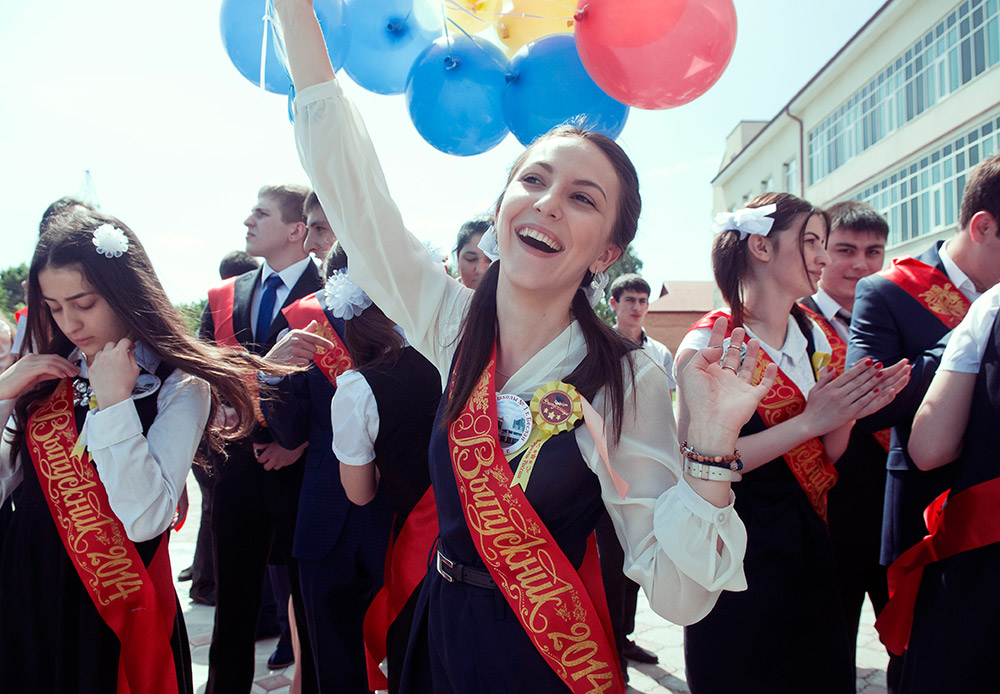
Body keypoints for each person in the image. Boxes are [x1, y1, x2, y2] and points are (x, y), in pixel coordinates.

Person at [276, 3, 781, 692]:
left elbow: (678, 595)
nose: (546, 203)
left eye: (581, 198)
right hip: (435, 632)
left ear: (607, 251)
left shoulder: (622, 375)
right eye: (534, 181)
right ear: (501, 208)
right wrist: (293, 13)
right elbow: (352, 192)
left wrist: (715, 442)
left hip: (541, 654)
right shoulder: (452, 324)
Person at [0, 208, 262, 693]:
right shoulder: (43, 370)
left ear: (124, 290)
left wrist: (116, 404)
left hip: (116, 596)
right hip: (29, 587)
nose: (70, 322)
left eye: (84, 302)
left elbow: (146, 517)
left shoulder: (178, 382)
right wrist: (5, 392)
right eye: (55, 307)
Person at [674, 193, 909, 693]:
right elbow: (697, 468)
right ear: (761, 245)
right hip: (738, 550)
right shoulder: (711, 343)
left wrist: (849, 411)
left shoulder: (816, 336)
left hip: (812, 541)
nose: (824, 258)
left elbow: (831, 455)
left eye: (824, 244)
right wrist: (809, 423)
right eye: (811, 242)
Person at [872, 156, 1000, 693]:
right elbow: (879, 396)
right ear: (982, 225)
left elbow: (932, 440)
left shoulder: (991, 307)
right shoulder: (890, 289)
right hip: (935, 506)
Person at [848, 153, 1000, 575]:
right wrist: (972, 330)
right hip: (928, 501)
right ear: (984, 227)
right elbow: (870, 403)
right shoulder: (887, 291)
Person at [200, 183, 323, 694]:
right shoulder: (228, 295)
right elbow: (204, 369)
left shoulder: (335, 287)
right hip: (238, 467)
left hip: (306, 471)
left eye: (261, 213)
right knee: (236, 598)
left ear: (297, 230)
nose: (248, 221)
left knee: (310, 598)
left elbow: (347, 382)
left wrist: (302, 442)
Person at [258, 234, 394, 691]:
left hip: (404, 517)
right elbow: (291, 432)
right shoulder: (306, 327)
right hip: (323, 518)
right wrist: (271, 374)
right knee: (330, 662)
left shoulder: (425, 324)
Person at [327, 248, 442, 694]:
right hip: (496, 535)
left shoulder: (360, 387)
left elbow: (360, 492)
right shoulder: (467, 355)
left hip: (418, 552)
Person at [799, 200, 895, 682]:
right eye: (845, 250)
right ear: (819, 253)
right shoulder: (796, 321)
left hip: (893, 511)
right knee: (828, 652)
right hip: (825, 511)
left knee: (907, 644)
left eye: (873, 251)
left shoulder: (898, 316)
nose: (860, 264)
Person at [598, 272, 673, 679]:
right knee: (610, 562)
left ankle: (625, 635)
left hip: (646, 468)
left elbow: (666, 407)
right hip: (608, 465)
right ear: (613, 302)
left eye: (643, 300)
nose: (637, 306)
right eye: (629, 299)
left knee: (638, 556)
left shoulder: (659, 351)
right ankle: (610, 650)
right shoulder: (599, 345)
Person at [453, 215, 492, 289]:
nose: (481, 270)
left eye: (490, 260)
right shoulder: (439, 297)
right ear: (458, 256)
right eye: (471, 259)